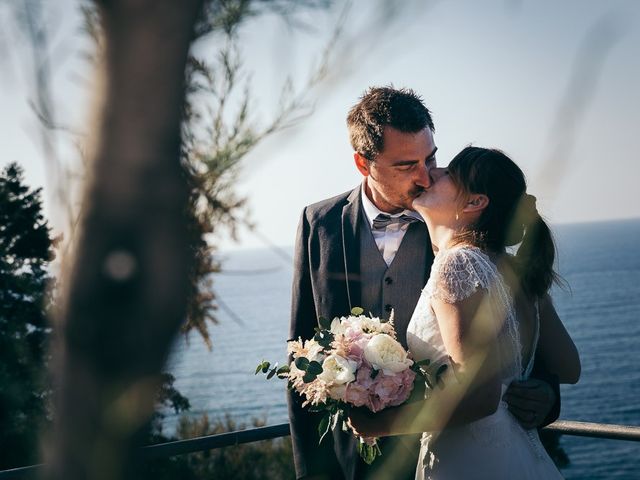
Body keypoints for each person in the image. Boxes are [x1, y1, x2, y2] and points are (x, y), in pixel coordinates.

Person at [288, 87, 562, 480]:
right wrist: (312, 473)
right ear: (363, 164)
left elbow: (519, 326)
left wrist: (547, 394)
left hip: (446, 451)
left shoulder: (463, 234)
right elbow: (301, 350)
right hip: (351, 462)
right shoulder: (319, 223)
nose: (424, 175)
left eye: (430, 157)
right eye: (405, 165)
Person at [349, 146, 581, 479]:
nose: (432, 173)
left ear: (474, 202)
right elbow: (568, 365)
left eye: (447, 173)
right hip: (516, 450)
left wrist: (381, 425)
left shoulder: (456, 264)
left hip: (470, 459)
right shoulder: (514, 269)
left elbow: (481, 397)